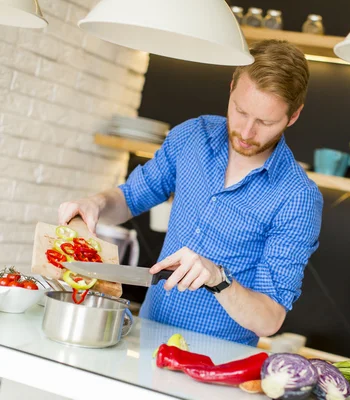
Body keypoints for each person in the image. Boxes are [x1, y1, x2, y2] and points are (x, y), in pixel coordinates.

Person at [57, 40, 323, 346]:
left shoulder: (298, 197)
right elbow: (131, 197)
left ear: (293, 116)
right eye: (240, 111)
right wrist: (96, 203)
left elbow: (269, 320)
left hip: (215, 364)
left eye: (265, 122)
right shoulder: (193, 136)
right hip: (147, 338)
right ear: (232, 86)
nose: (247, 132)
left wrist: (218, 278)